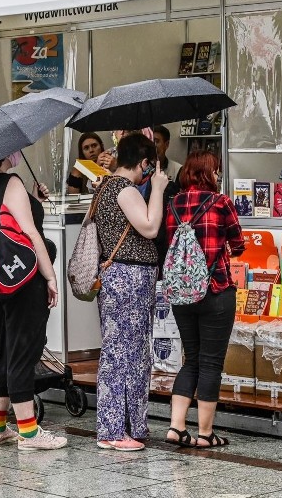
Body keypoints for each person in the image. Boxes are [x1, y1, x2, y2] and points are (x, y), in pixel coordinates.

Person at [0, 151, 67, 451]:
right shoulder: (10, 183)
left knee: (3, 349)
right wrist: (49, 277)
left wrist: (33, 198)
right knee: (23, 349)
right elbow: (30, 233)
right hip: (22, 279)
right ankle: (28, 432)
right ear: (4, 153)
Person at [164, 151, 244, 448]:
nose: (220, 175)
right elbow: (239, 245)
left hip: (181, 293)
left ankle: (176, 427)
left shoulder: (172, 203)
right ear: (209, 173)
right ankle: (205, 434)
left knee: (191, 359)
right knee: (211, 363)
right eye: (217, 170)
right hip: (215, 290)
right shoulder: (221, 202)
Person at [94, 133, 168, 451]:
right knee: (125, 353)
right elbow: (150, 227)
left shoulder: (106, 187)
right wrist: (160, 190)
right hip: (129, 277)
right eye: (148, 165)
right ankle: (113, 431)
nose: (148, 171)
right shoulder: (124, 190)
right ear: (142, 162)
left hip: (118, 277)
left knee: (128, 352)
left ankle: (129, 425)